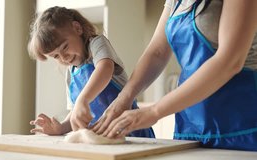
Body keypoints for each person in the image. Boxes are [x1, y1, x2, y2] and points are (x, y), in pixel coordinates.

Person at [92, 0, 257, 151]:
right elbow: (157, 52)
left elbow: (229, 61)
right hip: (191, 130)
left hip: (243, 129)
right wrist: (123, 99)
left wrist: (154, 111)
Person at [27, 6, 155, 138]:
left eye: (64, 47)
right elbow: (76, 114)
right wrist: (60, 128)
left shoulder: (97, 44)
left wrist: (83, 99)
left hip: (133, 132)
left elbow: (105, 68)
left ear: (77, 28)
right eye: (56, 56)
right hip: (104, 137)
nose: (63, 57)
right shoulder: (71, 75)